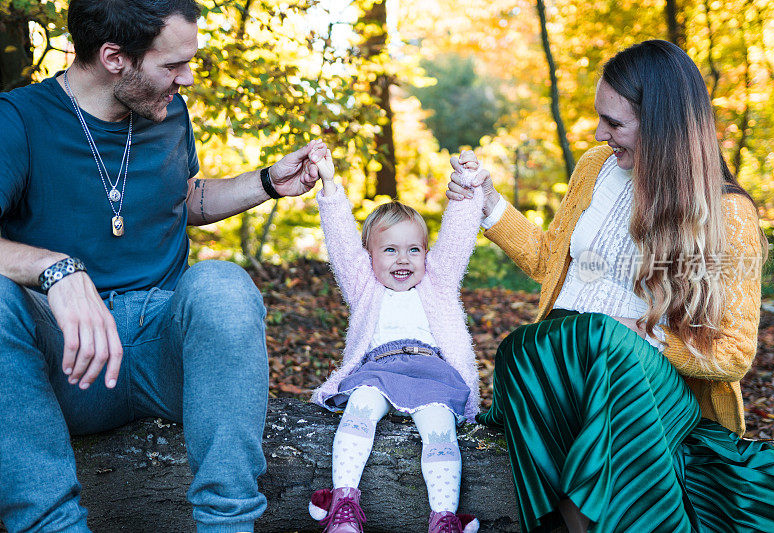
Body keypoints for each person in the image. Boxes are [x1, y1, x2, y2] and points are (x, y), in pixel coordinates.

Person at [447, 40, 774, 532]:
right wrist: (487, 201)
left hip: (647, 378)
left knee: (601, 341)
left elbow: (735, 353)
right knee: (519, 350)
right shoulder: (594, 168)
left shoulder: (728, 215)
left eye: (615, 123)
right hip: (567, 358)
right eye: (600, 119)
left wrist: (643, 333)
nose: (599, 133)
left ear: (663, 124)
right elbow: (550, 260)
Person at [0, 1, 324, 531]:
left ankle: (228, 522)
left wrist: (267, 181)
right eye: (172, 65)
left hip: (162, 351)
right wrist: (55, 269)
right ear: (113, 57)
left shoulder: (165, 110)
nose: (187, 79)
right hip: (66, 361)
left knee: (222, 282)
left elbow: (182, 200)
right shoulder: (18, 119)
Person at [303, 145, 483, 533]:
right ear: (369, 257)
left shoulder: (437, 281)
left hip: (432, 371)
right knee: (360, 409)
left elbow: (458, 236)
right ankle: (344, 503)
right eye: (390, 250)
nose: (403, 259)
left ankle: (444, 518)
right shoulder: (364, 285)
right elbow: (340, 241)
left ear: (425, 254)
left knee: (440, 428)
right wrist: (330, 184)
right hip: (378, 370)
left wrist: (468, 186)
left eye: (413, 250)